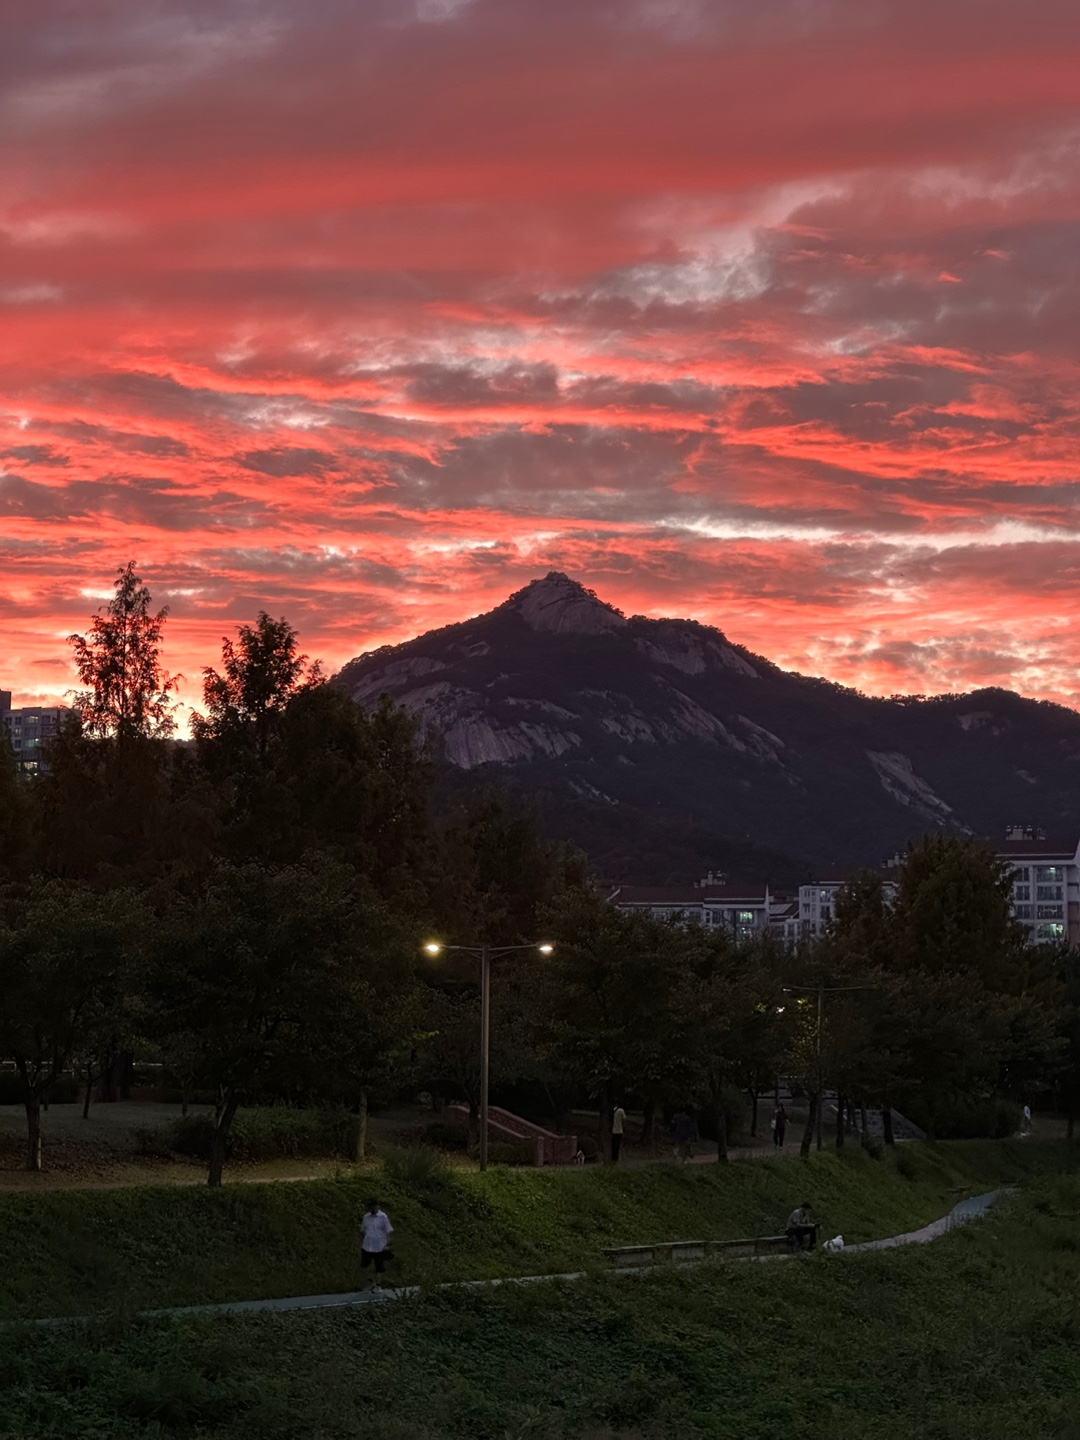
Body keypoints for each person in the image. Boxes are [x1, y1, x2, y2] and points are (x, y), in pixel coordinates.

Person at [360, 1199, 394, 1289]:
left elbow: (388, 1231)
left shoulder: (383, 1217)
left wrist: (387, 1244)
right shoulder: (366, 1217)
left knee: (379, 1266)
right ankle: (370, 1281)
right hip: (367, 1245)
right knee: (365, 1265)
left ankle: (378, 1284)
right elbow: (363, 1230)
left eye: (375, 1207)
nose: (373, 1209)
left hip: (379, 1246)